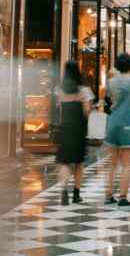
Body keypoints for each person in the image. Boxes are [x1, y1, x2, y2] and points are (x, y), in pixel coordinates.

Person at [104, 53, 130, 207]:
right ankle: (123, 197)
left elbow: (109, 99)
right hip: (128, 122)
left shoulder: (111, 82)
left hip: (113, 122)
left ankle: (108, 195)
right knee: (127, 163)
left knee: (112, 163)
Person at [54, 61, 92, 205]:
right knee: (79, 162)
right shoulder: (84, 91)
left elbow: (59, 109)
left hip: (65, 128)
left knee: (65, 161)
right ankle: (76, 194)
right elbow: (86, 111)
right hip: (79, 129)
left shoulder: (59, 90)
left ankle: (64, 191)